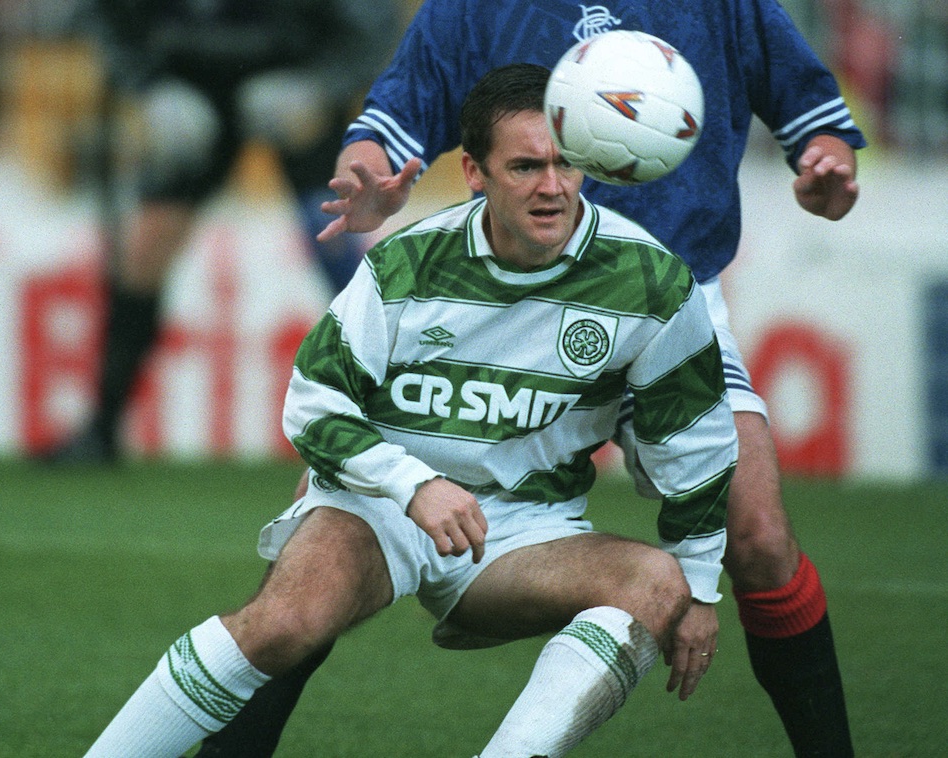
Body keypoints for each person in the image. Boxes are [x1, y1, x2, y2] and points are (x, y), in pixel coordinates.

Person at [217, 1, 864, 756]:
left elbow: (810, 107)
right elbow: (394, 115)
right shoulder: (475, 7)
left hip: (672, 303)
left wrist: (828, 157)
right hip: (505, 308)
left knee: (757, 534)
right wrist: (366, 165)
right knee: (334, 520)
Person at [84, 62, 738, 758]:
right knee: (279, 626)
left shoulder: (649, 280)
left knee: (656, 582)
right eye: (523, 167)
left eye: (565, 163)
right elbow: (315, 399)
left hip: (522, 535)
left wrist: (699, 586)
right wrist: (412, 485)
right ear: (475, 173)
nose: (551, 187)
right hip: (381, 510)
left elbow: (695, 443)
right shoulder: (408, 264)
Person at [47, 0, 397, 463]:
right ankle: (104, 428)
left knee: (332, 236)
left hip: (294, 82)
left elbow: (373, 24)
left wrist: (319, 85)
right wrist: (150, 87)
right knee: (145, 246)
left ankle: (390, 420)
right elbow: (107, 18)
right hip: (191, 90)